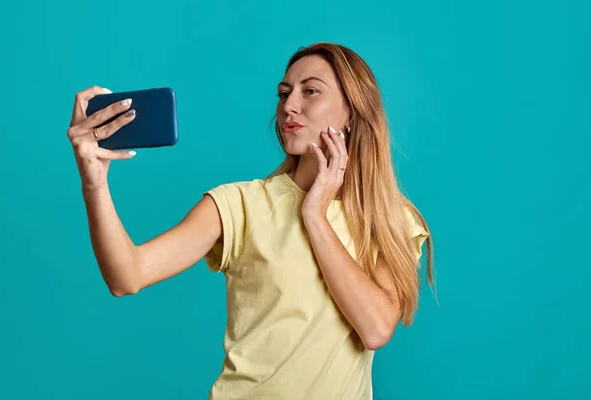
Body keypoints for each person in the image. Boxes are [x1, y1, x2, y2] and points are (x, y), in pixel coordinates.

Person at [66, 42, 436, 400]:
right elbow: (126, 276)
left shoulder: (390, 220)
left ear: (353, 112)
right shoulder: (240, 204)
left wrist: (315, 216)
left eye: (311, 92)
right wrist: (94, 181)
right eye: (284, 93)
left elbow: (375, 328)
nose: (290, 105)